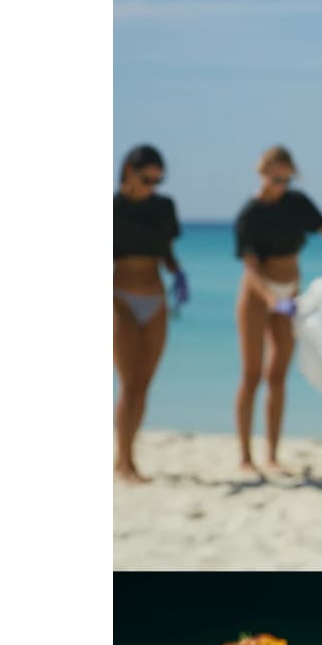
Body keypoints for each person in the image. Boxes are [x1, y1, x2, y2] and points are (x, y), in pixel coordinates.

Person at [232, 146, 322, 477]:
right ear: (262, 174)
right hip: (258, 295)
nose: (281, 185)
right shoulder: (250, 214)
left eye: (287, 179)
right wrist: (270, 299)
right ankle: (246, 456)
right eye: (276, 178)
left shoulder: (297, 204)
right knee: (251, 374)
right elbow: (250, 268)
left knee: (278, 375)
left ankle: (272, 455)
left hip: (291, 290)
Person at [113, 144, 185, 484]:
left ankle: (128, 456)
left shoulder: (164, 208)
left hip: (155, 297)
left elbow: (166, 249)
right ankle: (124, 461)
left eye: (158, 181)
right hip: (118, 299)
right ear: (128, 171)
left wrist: (178, 272)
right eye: (146, 179)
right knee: (128, 384)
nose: (151, 187)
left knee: (144, 384)